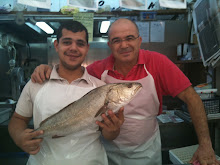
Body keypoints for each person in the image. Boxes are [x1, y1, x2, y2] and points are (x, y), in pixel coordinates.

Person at [31, 18, 220, 165]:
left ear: (139, 40)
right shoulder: (97, 70)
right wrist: (47, 69)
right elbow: (70, 76)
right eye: (116, 40)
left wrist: (205, 144)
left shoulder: (158, 63)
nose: (124, 45)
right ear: (110, 45)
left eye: (129, 38)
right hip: (106, 152)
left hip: (144, 153)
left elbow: (193, 99)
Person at [8, 21, 124, 165]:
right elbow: (18, 119)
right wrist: (19, 136)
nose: (73, 48)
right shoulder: (36, 82)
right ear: (56, 45)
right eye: (67, 42)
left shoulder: (100, 88)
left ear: (87, 48)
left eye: (80, 44)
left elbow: (106, 133)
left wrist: (113, 130)